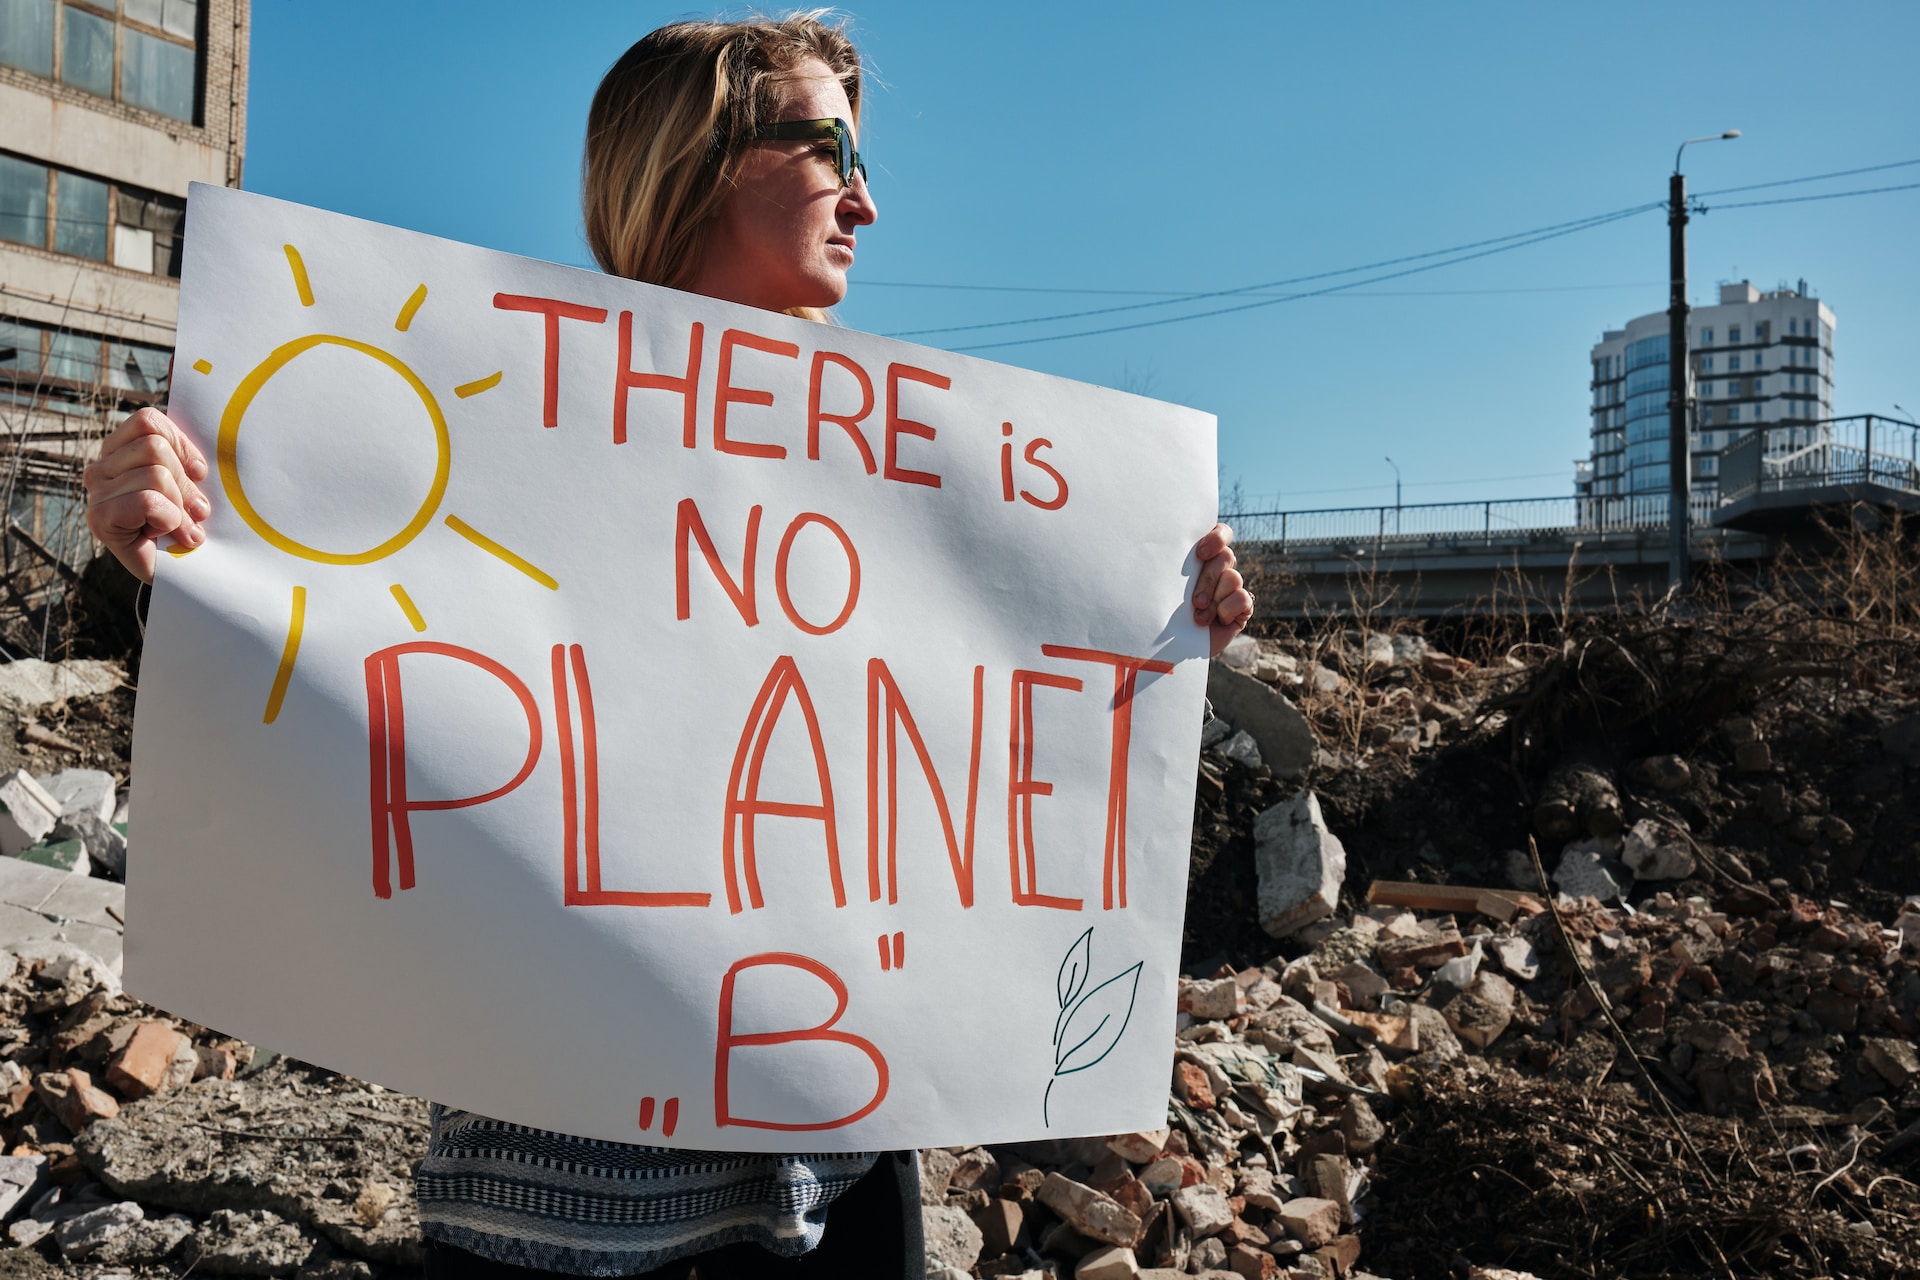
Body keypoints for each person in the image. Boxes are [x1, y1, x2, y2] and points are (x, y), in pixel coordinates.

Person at [82, 13, 1253, 1278]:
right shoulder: (492, 427)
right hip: (551, 1206)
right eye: (830, 149)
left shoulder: (926, 482)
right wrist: (158, 546)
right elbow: (326, 669)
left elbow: (989, 752)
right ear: (701, 159)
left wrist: (1162, 612)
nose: (865, 200)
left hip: (840, 1189)